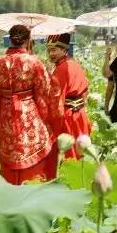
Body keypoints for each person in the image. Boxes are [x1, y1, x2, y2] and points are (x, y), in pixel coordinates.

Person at [0, 24, 57, 183]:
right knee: (33, 147)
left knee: (6, 152)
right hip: (29, 112)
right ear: (28, 40)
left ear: (10, 39)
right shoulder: (35, 63)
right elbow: (44, 93)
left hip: (5, 112)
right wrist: (44, 117)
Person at [46, 32, 91, 160]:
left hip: (67, 116)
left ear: (64, 50)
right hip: (80, 114)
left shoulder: (61, 69)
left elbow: (55, 97)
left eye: (54, 50)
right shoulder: (75, 64)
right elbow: (84, 91)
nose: (51, 54)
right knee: (81, 151)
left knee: (68, 155)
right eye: (49, 51)